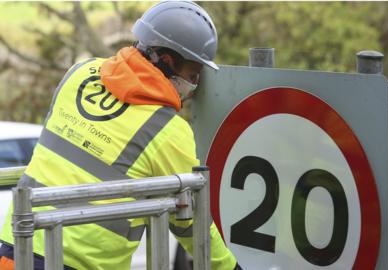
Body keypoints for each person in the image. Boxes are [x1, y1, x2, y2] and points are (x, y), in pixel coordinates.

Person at [0, 1, 240, 269]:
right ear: (168, 61)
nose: (194, 86)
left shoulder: (78, 73)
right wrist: (229, 267)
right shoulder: (168, 130)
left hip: (14, 251)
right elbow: (190, 221)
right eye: (193, 74)